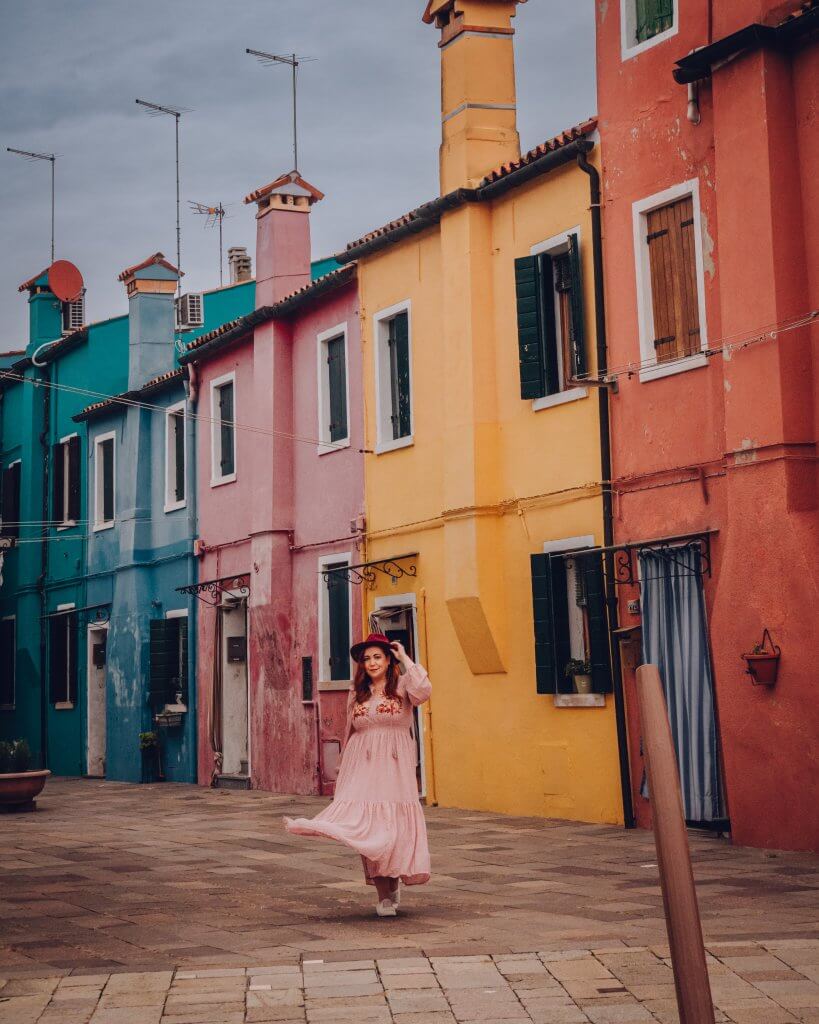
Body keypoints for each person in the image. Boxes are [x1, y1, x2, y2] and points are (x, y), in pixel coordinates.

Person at [284, 633, 432, 917]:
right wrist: (343, 768)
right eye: (367, 659)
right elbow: (348, 731)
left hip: (395, 765)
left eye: (378, 657)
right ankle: (383, 895)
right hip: (362, 765)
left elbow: (424, 691)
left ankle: (394, 879)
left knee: (393, 826)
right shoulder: (358, 691)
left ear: (388, 660)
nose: (372, 663)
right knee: (368, 824)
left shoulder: (403, 686)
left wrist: (405, 658)